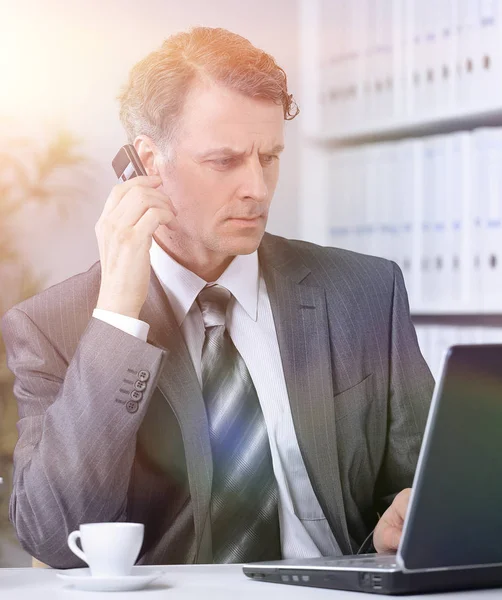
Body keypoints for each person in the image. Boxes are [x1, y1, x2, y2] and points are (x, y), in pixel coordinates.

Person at [1, 27, 434, 569]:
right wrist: (116, 316)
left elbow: (429, 487)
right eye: (224, 161)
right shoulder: (53, 326)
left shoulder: (365, 293)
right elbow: (55, 537)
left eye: (270, 156)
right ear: (148, 162)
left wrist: (413, 512)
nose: (257, 187)